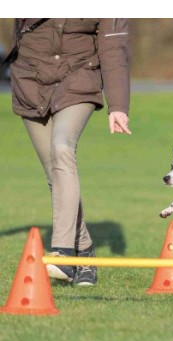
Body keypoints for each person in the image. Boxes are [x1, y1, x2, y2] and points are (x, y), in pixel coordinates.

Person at [9, 18, 131, 286]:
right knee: (56, 175)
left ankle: (62, 254)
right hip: (31, 83)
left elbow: (114, 48)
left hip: (78, 81)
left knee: (62, 147)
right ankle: (85, 251)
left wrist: (118, 105)